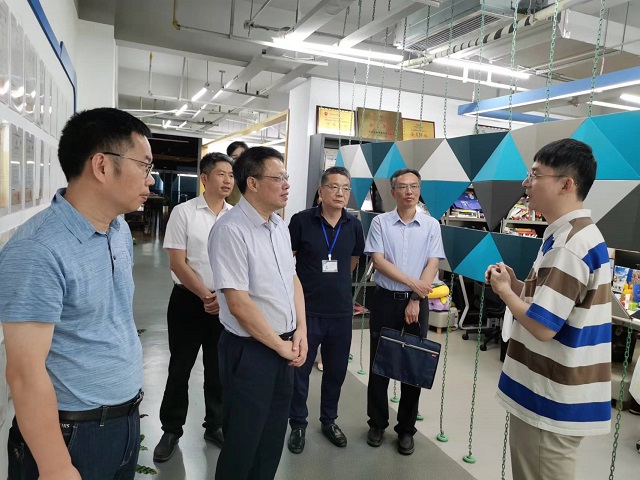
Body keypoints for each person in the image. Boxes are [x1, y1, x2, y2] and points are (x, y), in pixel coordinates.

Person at [0, 107, 153, 479]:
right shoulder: (37, 249)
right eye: (144, 165)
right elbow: (24, 373)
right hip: (71, 435)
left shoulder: (118, 230)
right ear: (102, 166)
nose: (150, 179)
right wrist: (55, 465)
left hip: (124, 421)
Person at [486, 138, 611, 480]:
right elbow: (552, 306)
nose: (526, 183)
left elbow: (543, 327)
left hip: (549, 398)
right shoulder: (566, 235)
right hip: (549, 392)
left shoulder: (571, 245)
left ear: (566, 184)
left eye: (536, 175)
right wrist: (516, 286)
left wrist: (505, 293)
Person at [209, 146, 308, 480]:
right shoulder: (230, 230)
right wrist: (280, 346)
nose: (286, 185)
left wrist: (301, 331)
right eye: (278, 178)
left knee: (271, 438)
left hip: (284, 347)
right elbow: (238, 304)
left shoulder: (279, 226)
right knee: (243, 441)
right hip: (250, 350)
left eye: (286, 177)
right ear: (252, 183)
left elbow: (292, 279)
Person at [153, 152, 234, 462]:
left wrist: (220, 299)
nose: (228, 180)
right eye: (221, 174)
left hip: (224, 303)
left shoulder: (235, 216)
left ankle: (215, 425)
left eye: (231, 175)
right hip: (188, 301)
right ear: (204, 178)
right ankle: (171, 429)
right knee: (180, 367)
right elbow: (177, 262)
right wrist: (205, 296)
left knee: (218, 369)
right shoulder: (184, 212)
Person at [364, 168, 445, 456]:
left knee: (413, 365)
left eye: (414, 186)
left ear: (419, 190)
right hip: (385, 300)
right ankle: (377, 423)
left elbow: (432, 263)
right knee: (379, 363)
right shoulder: (380, 223)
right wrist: (413, 284)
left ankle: (406, 429)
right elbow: (378, 261)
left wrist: (414, 297)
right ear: (393, 191)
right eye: (403, 186)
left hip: (416, 303)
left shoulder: (431, 225)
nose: (409, 191)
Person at [287, 166, 365, 454]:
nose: (340, 193)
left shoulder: (353, 225)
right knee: (300, 370)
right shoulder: (301, 221)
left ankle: (329, 420)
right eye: (334, 187)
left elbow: (353, 260)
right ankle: (298, 423)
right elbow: (287, 260)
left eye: (345, 188)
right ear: (321, 191)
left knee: (336, 371)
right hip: (306, 311)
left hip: (341, 313)